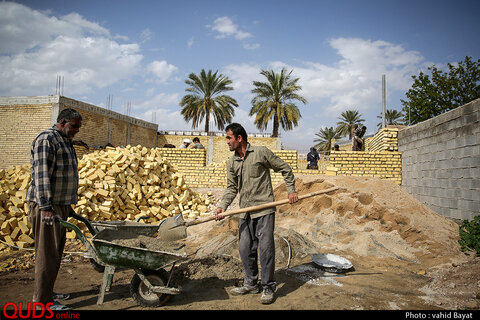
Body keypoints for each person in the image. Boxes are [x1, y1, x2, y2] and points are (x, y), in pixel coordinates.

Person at [214, 123, 298, 304]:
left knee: (266, 250)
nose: (227, 142)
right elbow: (231, 188)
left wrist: (291, 190)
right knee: (245, 248)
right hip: (245, 212)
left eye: (229, 138)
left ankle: (268, 286)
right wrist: (223, 206)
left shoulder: (261, 153)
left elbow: (285, 168)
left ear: (239, 138)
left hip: (264, 209)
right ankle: (251, 283)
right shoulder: (232, 162)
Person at [26, 108, 84, 311]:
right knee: (47, 254)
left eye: (78, 127)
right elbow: (42, 176)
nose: (77, 130)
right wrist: (46, 207)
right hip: (46, 207)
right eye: (74, 126)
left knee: (55, 253)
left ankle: (47, 291)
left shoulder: (65, 140)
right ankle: (41, 302)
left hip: (59, 205)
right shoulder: (47, 139)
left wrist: (67, 207)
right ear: (62, 122)